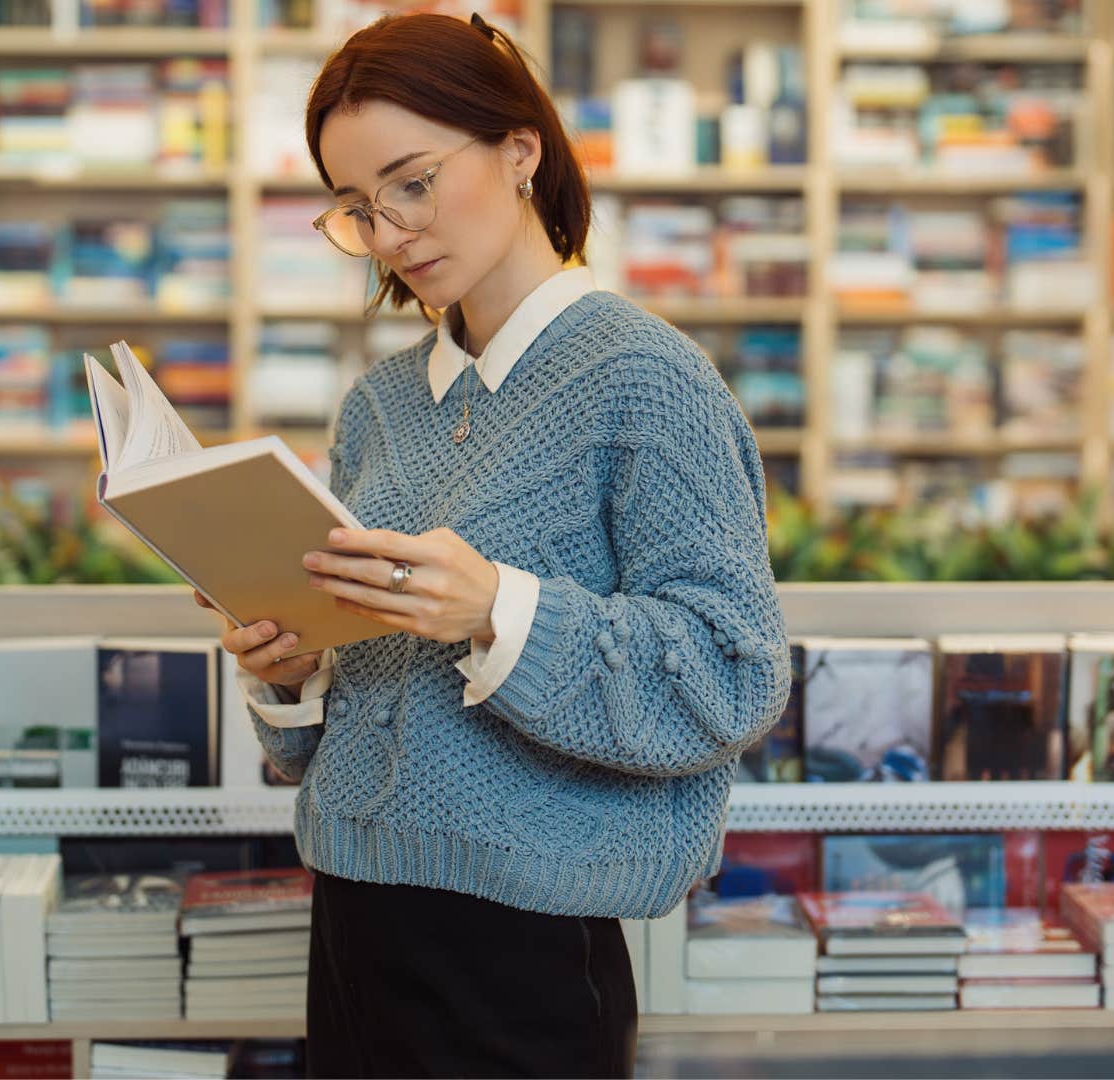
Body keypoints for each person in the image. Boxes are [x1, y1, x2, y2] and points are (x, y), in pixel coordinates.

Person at [194, 11, 790, 1076]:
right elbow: (336, 734)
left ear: (521, 149)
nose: (389, 234)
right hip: (353, 923)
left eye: (413, 182)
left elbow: (732, 673)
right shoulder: (379, 406)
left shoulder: (645, 381)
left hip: (529, 950)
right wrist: (290, 673)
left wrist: (498, 609)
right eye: (357, 209)